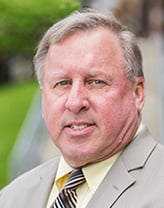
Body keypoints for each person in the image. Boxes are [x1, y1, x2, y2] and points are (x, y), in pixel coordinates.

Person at [1, 8, 164, 208]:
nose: (75, 102)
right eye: (62, 83)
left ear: (137, 93)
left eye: (96, 82)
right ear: (44, 97)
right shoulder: (11, 198)